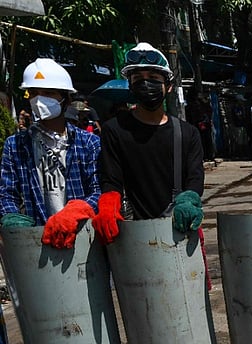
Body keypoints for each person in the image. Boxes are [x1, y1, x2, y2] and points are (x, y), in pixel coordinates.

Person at [92, 42, 205, 243]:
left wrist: (189, 199)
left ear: (168, 86)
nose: (146, 84)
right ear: (131, 86)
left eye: (153, 78)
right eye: (138, 79)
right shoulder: (115, 130)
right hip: (137, 234)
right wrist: (109, 202)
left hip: (181, 228)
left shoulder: (188, 133)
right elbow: (111, 178)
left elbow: (195, 178)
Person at [0, 58, 101, 249]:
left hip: (82, 240)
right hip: (36, 241)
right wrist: (12, 218)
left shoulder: (88, 143)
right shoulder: (15, 145)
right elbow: (6, 194)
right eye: (34, 94)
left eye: (48, 93)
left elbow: (97, 190)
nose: (39, 100)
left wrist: (76, 212)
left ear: (66, 99)